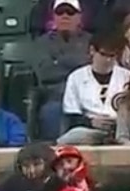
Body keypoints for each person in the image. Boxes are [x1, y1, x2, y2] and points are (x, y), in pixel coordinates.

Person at [32, 0, 92, 140]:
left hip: (85, 95)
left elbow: (92, 68)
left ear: (79, 17)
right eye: (60, 12)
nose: (65, 16)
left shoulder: (91, 41)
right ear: (54, 16)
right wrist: (78, 62)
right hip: (55, 95)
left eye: (70, 12)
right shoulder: (42, 42)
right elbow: (45, 72)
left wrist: (58, 61)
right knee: (51, 112)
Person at [58, 37, 130, 144]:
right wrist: (91, 122)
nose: (108, 60)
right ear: (92, 51)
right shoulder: (76, 77)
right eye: (103, 54)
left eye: (112, 56)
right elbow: (72, 115)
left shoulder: (127, 76)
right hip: (89, 128)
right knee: (70, 138)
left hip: (121, 128)